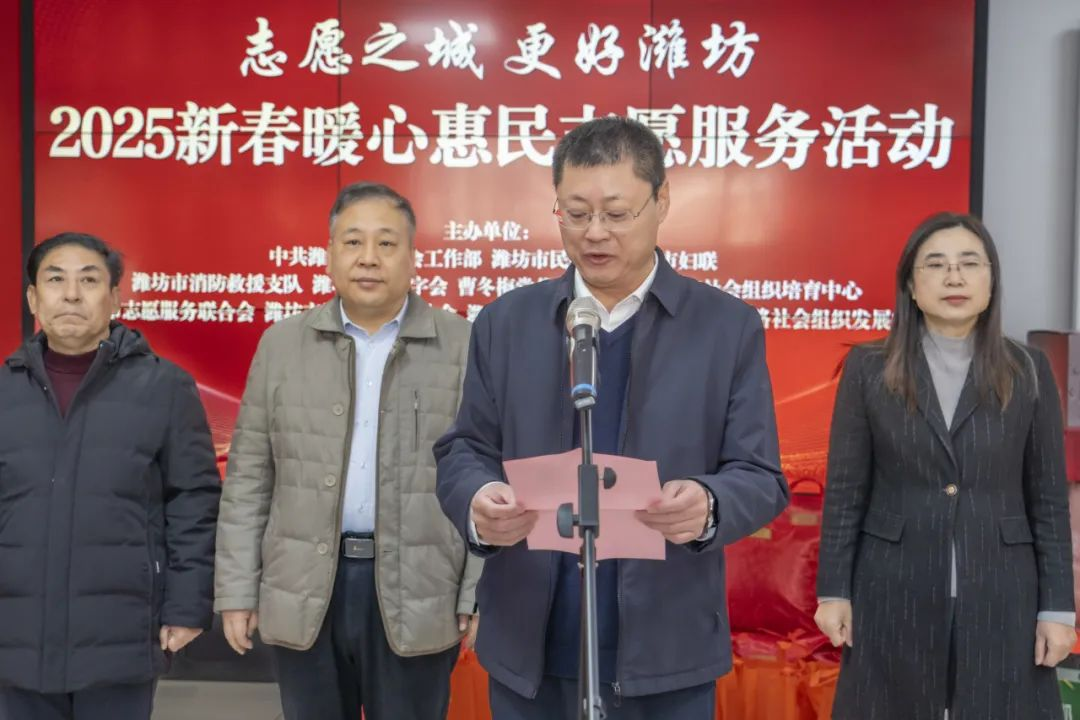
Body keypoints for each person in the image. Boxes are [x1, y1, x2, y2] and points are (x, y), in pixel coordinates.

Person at [435, 116, 789, 719]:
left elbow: (760, 475)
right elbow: (464, 448)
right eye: (575, 213)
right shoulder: (507, 322)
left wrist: (708, 504)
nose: (594, 233)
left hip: (667, 647)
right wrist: (478, 500)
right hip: (530, 646)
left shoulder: (725, 327)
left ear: (662, 201)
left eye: (617, 214)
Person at [214, 182, 481, 720]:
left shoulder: (464, 346)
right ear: (330, 254)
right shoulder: (282, 345)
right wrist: (237, 589)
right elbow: (248, 479)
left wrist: (476, 591)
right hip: (305, 587)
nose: (368, 258)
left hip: (419, 588)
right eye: (353, 242)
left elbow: (487, 479)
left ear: (413, 257)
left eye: (387, 243)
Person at [816, 212, 1076, 720]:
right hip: (892, 585)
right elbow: (846, 491)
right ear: (912, 287)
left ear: (991, 282)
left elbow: (1047, 498)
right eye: (935, 264)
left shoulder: (1028, 369)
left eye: (969, 263)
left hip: (1003, 590)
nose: (954, 277)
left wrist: (1057, 608)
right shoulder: (868, 369)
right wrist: (833, 591)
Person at [0, 232, 220, 720]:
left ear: (115, 298)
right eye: (55, 280)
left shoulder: (164, 387)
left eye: (89, 280)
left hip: (122, 634)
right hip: (15, 636)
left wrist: (187, 606)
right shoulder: (4, 391)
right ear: (33, 298)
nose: (71, 294)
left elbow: (194, 501)